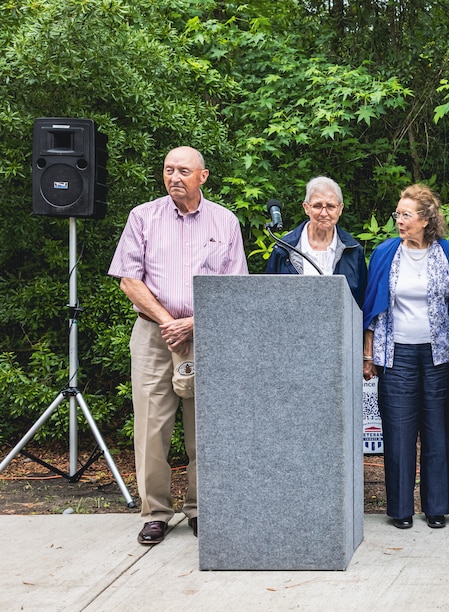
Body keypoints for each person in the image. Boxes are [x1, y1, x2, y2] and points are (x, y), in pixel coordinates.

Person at [108, 146, 248, 545]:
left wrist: (193, 323)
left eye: (184, 171)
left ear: (203, 176)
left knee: (203, 427)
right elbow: (128, 280)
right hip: (154, 334)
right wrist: (170, 322)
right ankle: (155, 512)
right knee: (152, 427)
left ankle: (201, 508)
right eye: (169, 169)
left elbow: (233, 287)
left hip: (207, 335)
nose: (174, 177)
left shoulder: (225, 221)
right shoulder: (143, 217)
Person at [361, 184, 449, 530]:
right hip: (395, 353)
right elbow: (373, 305)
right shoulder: (386, 252)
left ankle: (436, 506)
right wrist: (368, 353)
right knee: (398, 431)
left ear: (426, 218)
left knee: (437, 429)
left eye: (406, 215)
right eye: (397, 214)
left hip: (439, 355)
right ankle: (400, 509)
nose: (399, 221)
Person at [264, 176, 367, 309]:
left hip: (340, 328)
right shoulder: (284, 249)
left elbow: (361, 301)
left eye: (330, 206)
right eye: (317, 206)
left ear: (340, 209)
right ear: (306, 208)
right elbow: (267, 296)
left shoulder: (353, 250)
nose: (324, 213)